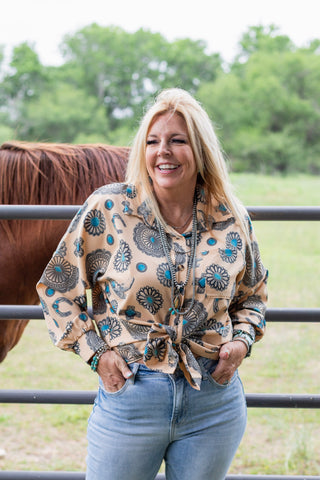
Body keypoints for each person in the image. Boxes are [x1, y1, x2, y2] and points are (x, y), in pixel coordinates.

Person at [37, 88, 268, 480]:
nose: (164, 151)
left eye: (178, 140)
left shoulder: (231, 216)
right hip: (131, 393)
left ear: (200, 150)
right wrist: (97, 354)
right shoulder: (108, 210)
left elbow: (253, 294)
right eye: (153, 141)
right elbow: (58, 287)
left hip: (212, 398)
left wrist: (241, 341)